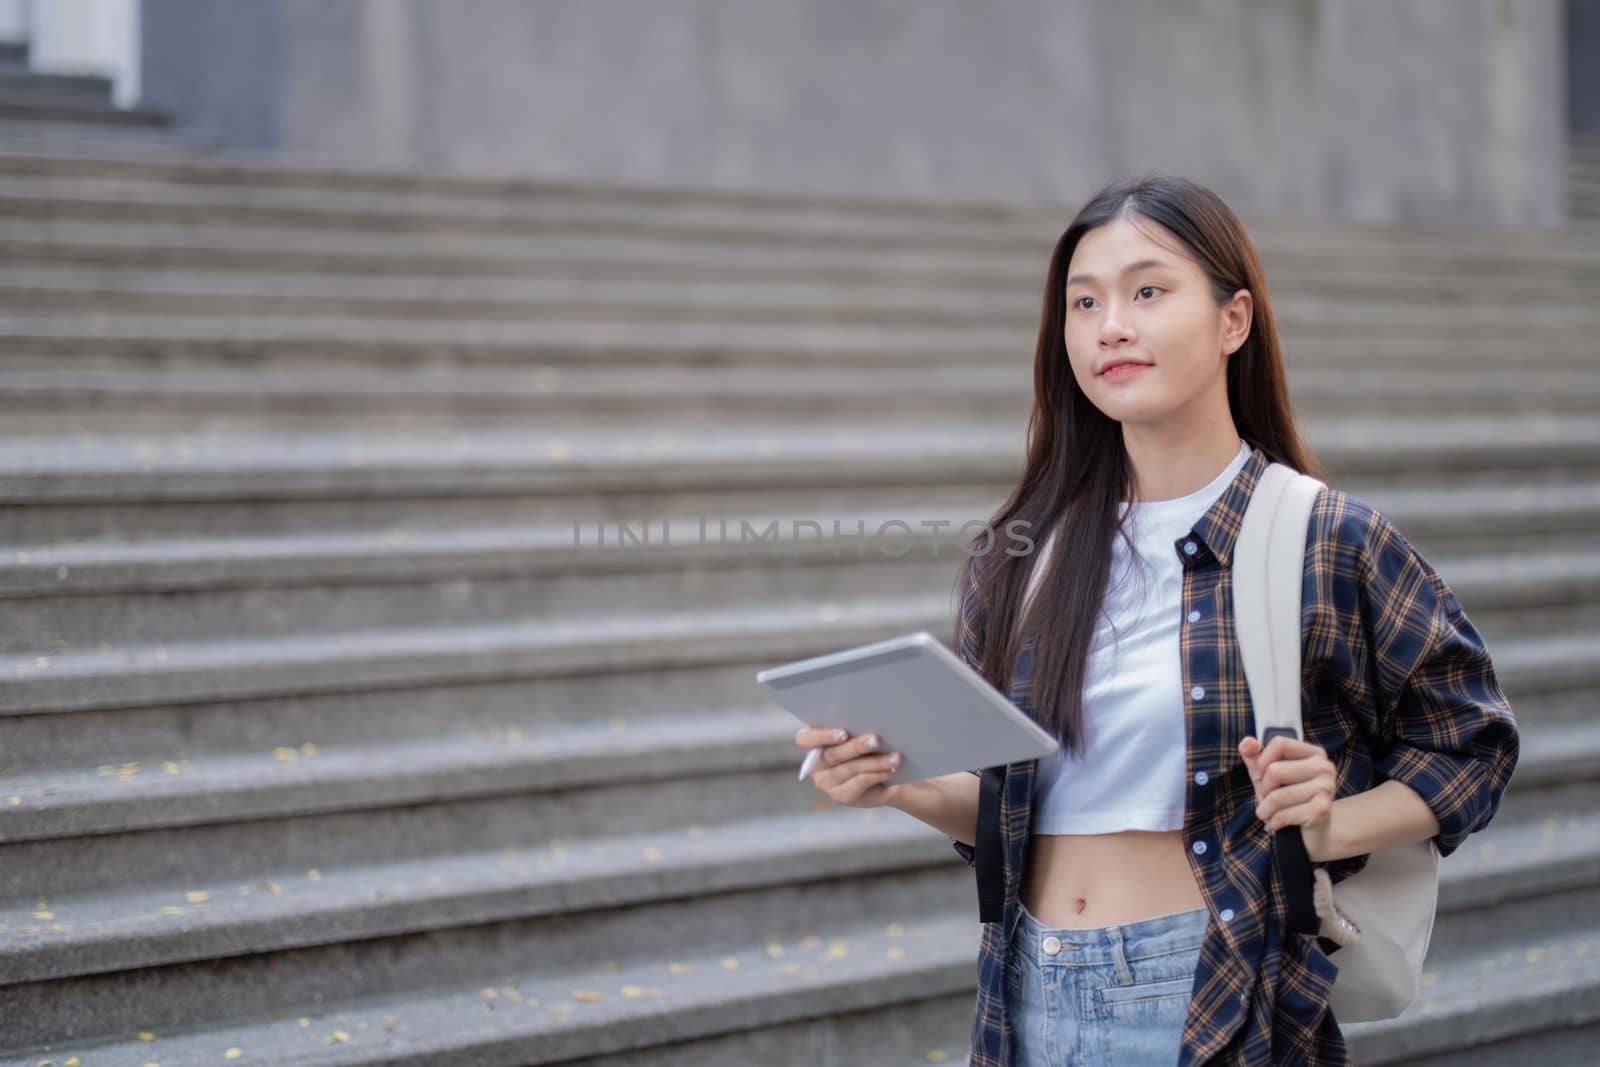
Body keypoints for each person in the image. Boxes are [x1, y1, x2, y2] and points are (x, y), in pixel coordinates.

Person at [794, 174, 1520, 1066]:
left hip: (1212, 992)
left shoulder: (1324, 537)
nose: (1112, 327)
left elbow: (1472, 742)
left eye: (1147, 290)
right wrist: (894, 780)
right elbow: (1018, 811)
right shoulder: (1024, 557)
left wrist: (1330, 826)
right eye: (1084, 301)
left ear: (1233, 321)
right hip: (1026, 990)